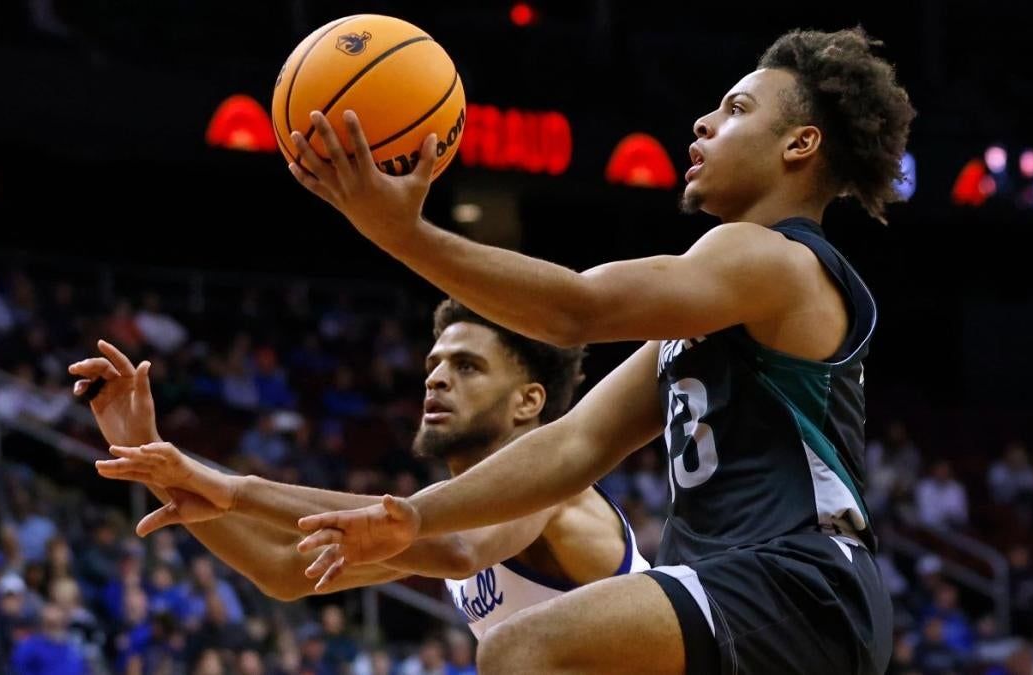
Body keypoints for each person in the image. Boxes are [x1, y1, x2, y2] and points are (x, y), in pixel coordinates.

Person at [287, 27, 914, 675]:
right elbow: (572, 445)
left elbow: (576, 310)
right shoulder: (711, 310)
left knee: (521, 648)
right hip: (766, 599)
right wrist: (416, 516)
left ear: (799, 143)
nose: (702, 123)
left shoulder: (775, 258)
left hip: (800, 584)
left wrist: (403, 234)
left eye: (736, 110)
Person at [75, 299, 648, 639]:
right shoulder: (450, 509)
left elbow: (458, 551)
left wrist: (233, 489)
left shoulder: (551, 481)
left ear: (528, 402)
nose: (436, 378)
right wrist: (150, 458)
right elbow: (282, 571)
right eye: (434, 363)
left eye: (467, 366)